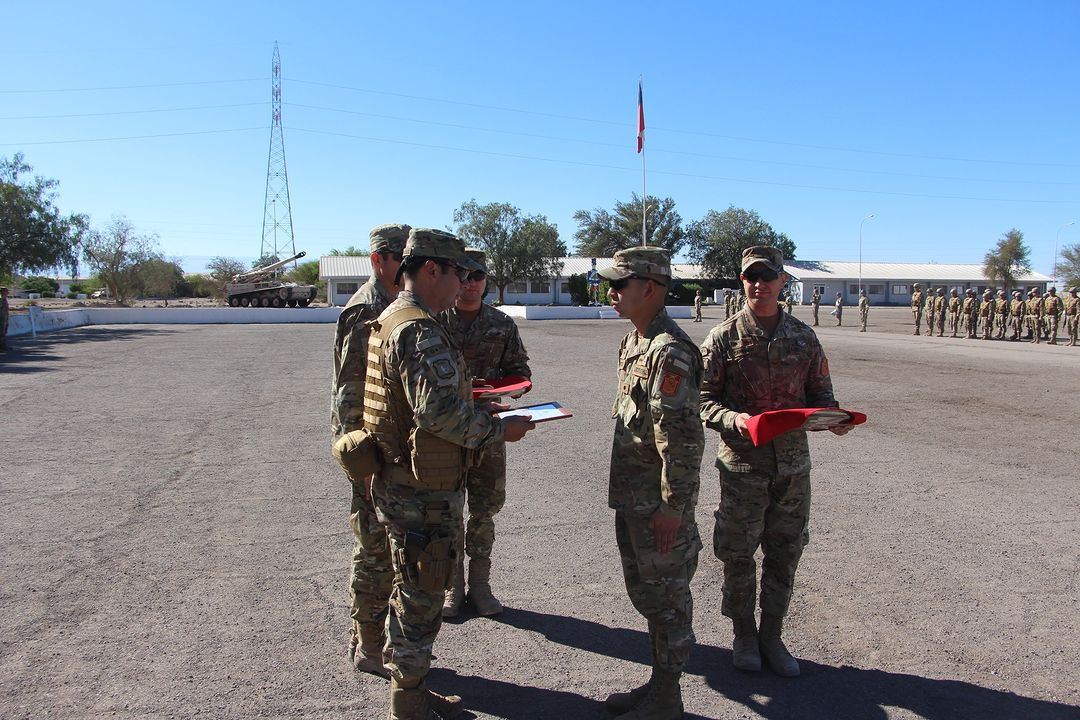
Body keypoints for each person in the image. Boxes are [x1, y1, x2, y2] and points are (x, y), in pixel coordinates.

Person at [364, 228, 535, 719]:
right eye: (458, 272)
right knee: (422, 595)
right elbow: (437, 412)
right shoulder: (419, 328)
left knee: (410, 585)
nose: (463, 283)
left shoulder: (392, 317)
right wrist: (499, 430)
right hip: (421, 489)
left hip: (400, 479)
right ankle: (410, 699)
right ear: (432, 269)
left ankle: (410, 686)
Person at [700, 246, 854, 679]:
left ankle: (772, 635)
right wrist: (735, 419)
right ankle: (744, 633)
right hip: (742, 468)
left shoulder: (804, 338)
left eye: (767, 276)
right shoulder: (723, 338)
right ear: (741, 281)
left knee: (785, 553)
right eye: (751, 276)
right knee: (737, 553)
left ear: (783, 281)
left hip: (792, 469)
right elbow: (702, 400)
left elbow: (820, 396)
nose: (758, 284)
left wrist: (834, 418)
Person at [600, 247, 704, 719]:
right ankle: (659, 685)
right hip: (634, 497)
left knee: (667, 598)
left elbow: (681, 440)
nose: (611, 292)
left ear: (651, 289)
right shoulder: (635, 341)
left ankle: (669, 698)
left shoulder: (671, 352)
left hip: (659, 504)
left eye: (620, 284)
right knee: (647, 594)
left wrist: (674, 506)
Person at [331, 223, 410, 675]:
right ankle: (368, 644)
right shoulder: (364, 310)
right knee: (374, 550)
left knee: (396, 549)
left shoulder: (401, 305)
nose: (407, 266)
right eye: (400, 257)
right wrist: (359, 462)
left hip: (396, 448)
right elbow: (349, 392)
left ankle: (387, 642)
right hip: (371, 453)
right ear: (378, 260)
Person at [440, 249, 532, 618]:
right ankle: (452, 586)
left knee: (484, 510)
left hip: (489, 428)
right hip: (445, 430)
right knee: (447, 509)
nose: (470, 284)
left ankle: (480, 586)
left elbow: (519, 369)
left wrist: (510, 388)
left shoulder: (501, 324)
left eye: (477, 276)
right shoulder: (434, 321)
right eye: (463, 276)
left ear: (485, 281)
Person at [0, 286, 9, 352]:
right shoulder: (1, 299)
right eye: (6, 291)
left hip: (5, 318)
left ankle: (3, 345)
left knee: (4, 332)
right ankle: (2, 346)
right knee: (1, 332)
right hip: (1, 318)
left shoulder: (4, 299)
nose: (7, 292)